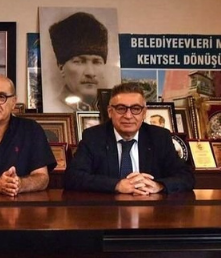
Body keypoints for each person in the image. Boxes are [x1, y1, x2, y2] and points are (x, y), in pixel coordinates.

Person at [65, 82, 194, 194]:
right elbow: (72, 177)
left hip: (150, 208)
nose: (128, 116)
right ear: (110, 112)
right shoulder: (94, 137)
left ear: (144, 113)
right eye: (121, 108)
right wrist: (117, 185)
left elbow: (186, 177)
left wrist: (159, 185)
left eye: (136, 109)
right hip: (107, 210)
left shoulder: (159, 137)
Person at [49, 12, 109, 112]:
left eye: (96, 62)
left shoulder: (111, 111)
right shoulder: (53, 109)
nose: (90, 73)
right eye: (79, 62)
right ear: (61, 67)